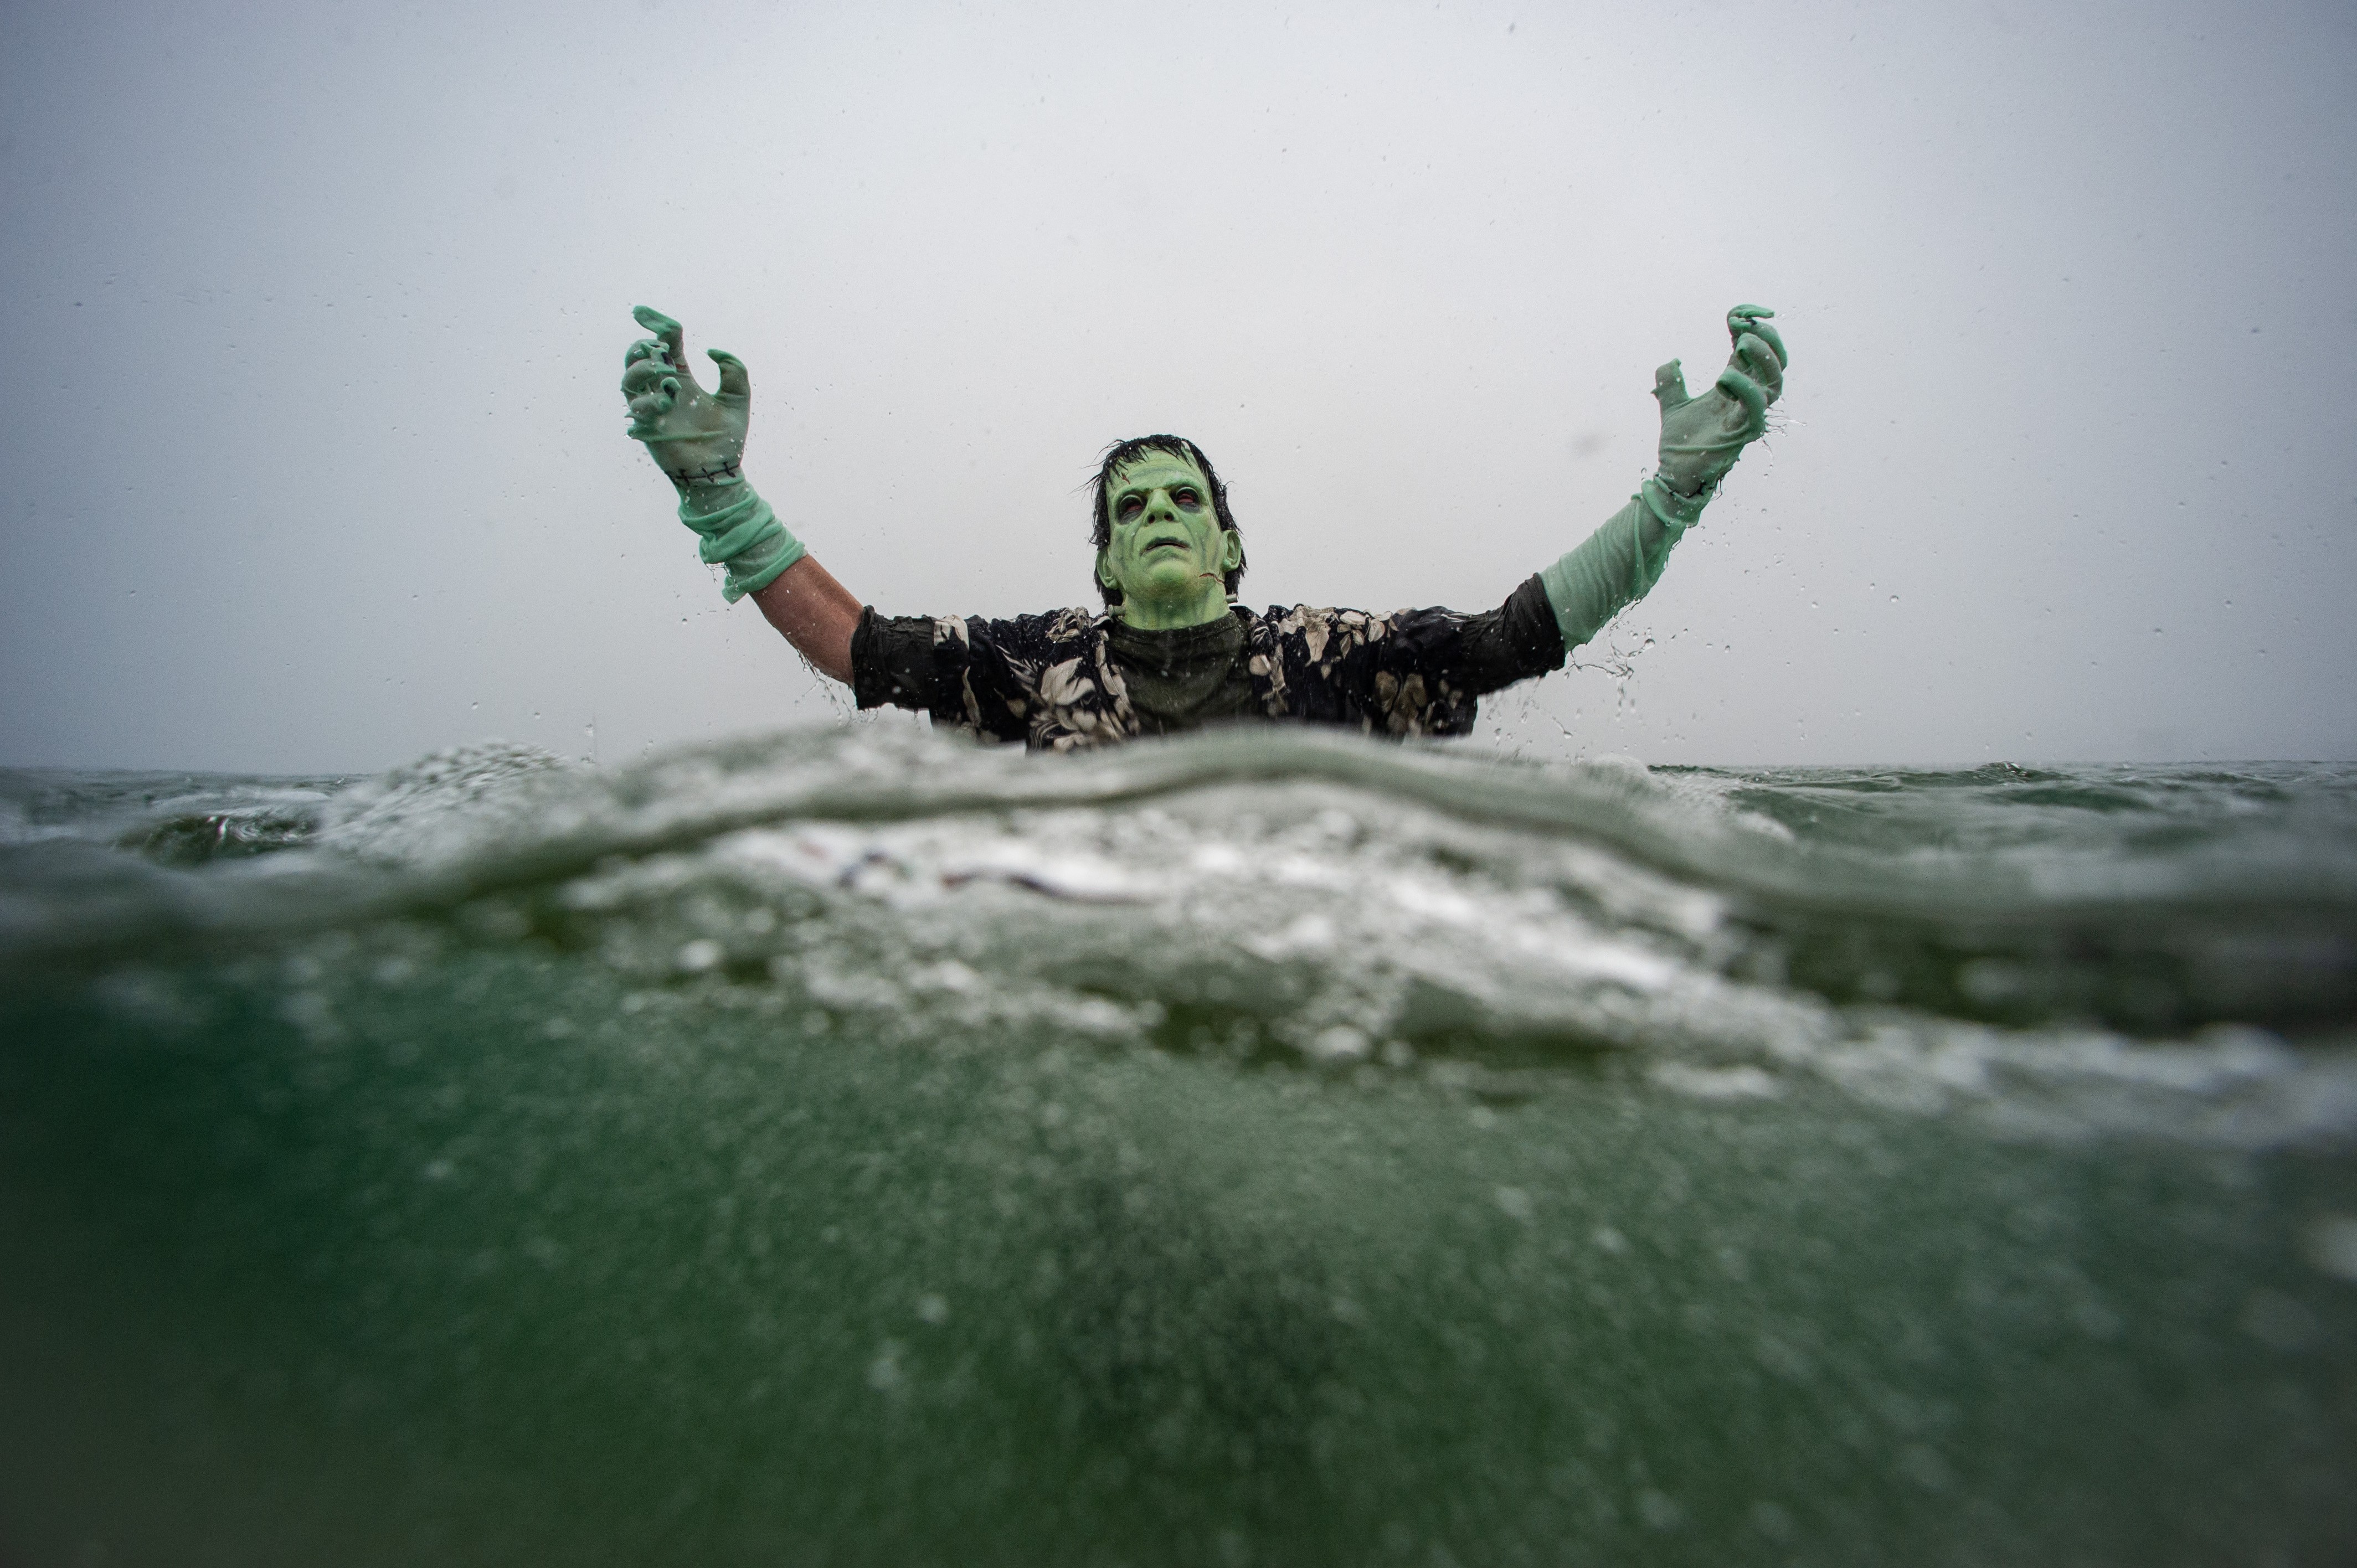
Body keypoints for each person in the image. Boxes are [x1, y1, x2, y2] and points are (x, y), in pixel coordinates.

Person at [619, 305, 1786, 752]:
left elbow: (1518, 635)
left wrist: (1670, 497)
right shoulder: (1034, 667)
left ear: (1229, 546)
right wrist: (722, 499)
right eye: (1132, 509)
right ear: (1106, 563)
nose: (1160, 515)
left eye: (1186, 500)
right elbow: (858, 648)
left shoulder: (1333, 655)